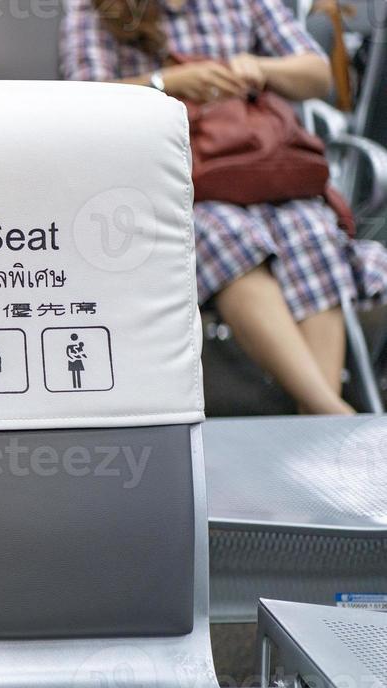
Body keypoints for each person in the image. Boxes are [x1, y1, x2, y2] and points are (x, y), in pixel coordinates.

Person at [62, 0, 387, 415]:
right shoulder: (91, 10)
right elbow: (81, 100)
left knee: (314, 233)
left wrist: (258, 68)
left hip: (259, 171)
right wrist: (169, 82)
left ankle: (316, 417)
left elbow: (317, 74)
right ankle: (329, 413)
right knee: (226, 238)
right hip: (172, 185)